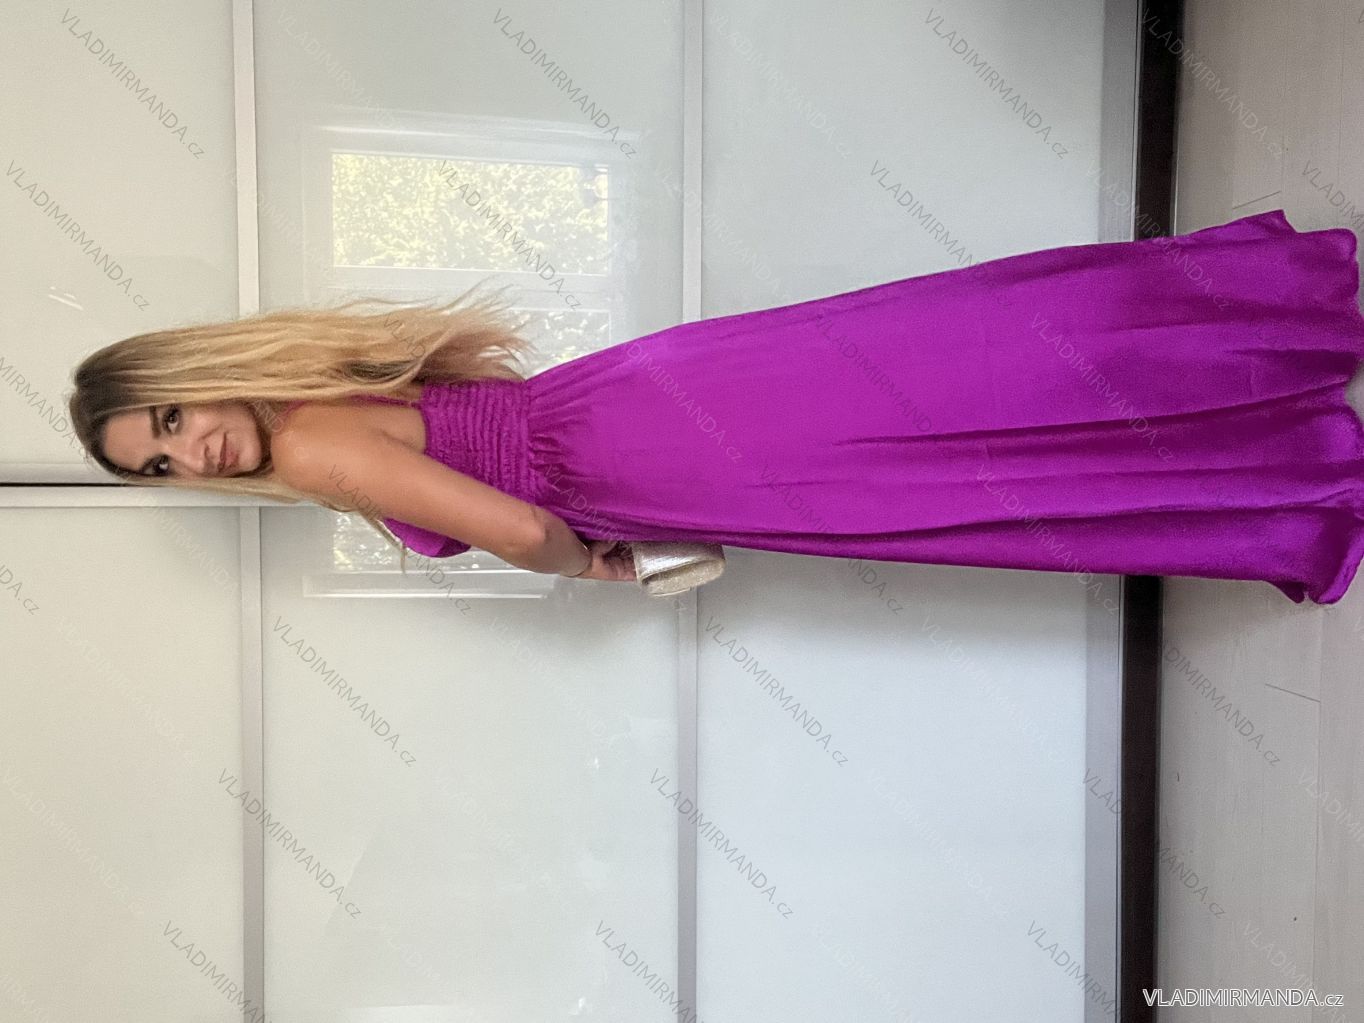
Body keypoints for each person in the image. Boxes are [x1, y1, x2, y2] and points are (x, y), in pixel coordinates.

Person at [70, 207, 1364, 603]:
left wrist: (593, 568)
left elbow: (515, 528)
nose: (198, 451)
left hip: (648, 463)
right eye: (165, 465)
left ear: (190, 381)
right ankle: (1268, 328)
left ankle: (1289, 470)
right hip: (648, 393)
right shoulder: (321, 387)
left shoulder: (314, 448)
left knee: (950, 475)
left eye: (171, 423)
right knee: (944, 355)